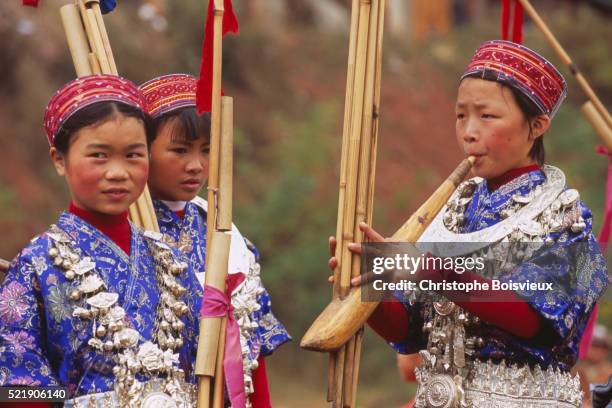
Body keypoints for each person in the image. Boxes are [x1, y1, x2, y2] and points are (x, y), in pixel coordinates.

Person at [329, 40, 609, 407]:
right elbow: (411, 332)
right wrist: (370, 286)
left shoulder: (567, 217)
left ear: (537, 126)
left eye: (487, 116)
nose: (468, 131)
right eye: (461, 115)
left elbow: (536, 322)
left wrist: (433, 272)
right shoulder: (452, 210)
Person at [0, 75, 203, 407]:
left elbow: (207, 374)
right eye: (99, 156)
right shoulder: (37, 264)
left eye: (133, 155)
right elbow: (16, 388)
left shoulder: (171, 262)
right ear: (59, 160)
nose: (118, 172)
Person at [139, 73, 290, 408]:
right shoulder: (129, 232)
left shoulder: (226, 233)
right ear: (142, 149)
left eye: (207, 151)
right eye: (179, 151)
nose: (196, 165)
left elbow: (254, 355)